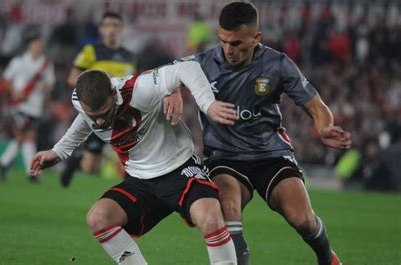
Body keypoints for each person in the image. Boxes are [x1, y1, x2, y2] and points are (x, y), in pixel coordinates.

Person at [173, 2, 351, 265]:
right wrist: (172, 89)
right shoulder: (201, 63)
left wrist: (324, 127)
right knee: (228, 211)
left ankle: (327, 258)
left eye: (236, 44)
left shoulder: (277, 64)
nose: (228, 50)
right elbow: (166, 74)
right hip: (224, 157)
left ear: (256, 38)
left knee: (303, 220)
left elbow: (316, 105)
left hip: (271, 154)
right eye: (223, 41)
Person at [30, 61, 239, 264]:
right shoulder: (82, 99)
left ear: (114, 93)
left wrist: (206, 103)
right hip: (140, 180)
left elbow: (187, 67)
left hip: (180, 169)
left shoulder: (138, 89)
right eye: (95, 117)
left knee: (210, 217)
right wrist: (59, 151)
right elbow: (85, 119)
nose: (100, 122)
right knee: (99, 218)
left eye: (104, 113)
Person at [60, 11, 136, 187]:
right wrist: (95, 89)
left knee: (131, 157)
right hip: (99, 113)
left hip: (122, 114)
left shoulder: (130, 56)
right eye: (107, 26)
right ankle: (76, 161)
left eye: (115, 26)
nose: (112, 30)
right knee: (89, 167)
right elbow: (73, 78)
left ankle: (131, 194)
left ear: (121, 29)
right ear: (101, 29)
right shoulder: (91, 51)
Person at [0, 31, 56, 182]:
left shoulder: (46, 64)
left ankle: (4, 163)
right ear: (29, 45)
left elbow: (50, 84)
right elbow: (5, 80)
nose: (38, 47)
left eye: (40, 45)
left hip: (35, 107)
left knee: (23, 137)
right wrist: (14, 91)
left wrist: (45, 89)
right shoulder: (18, 62)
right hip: (20, 105)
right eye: (36, 44)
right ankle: (30, 172)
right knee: (27, 135)